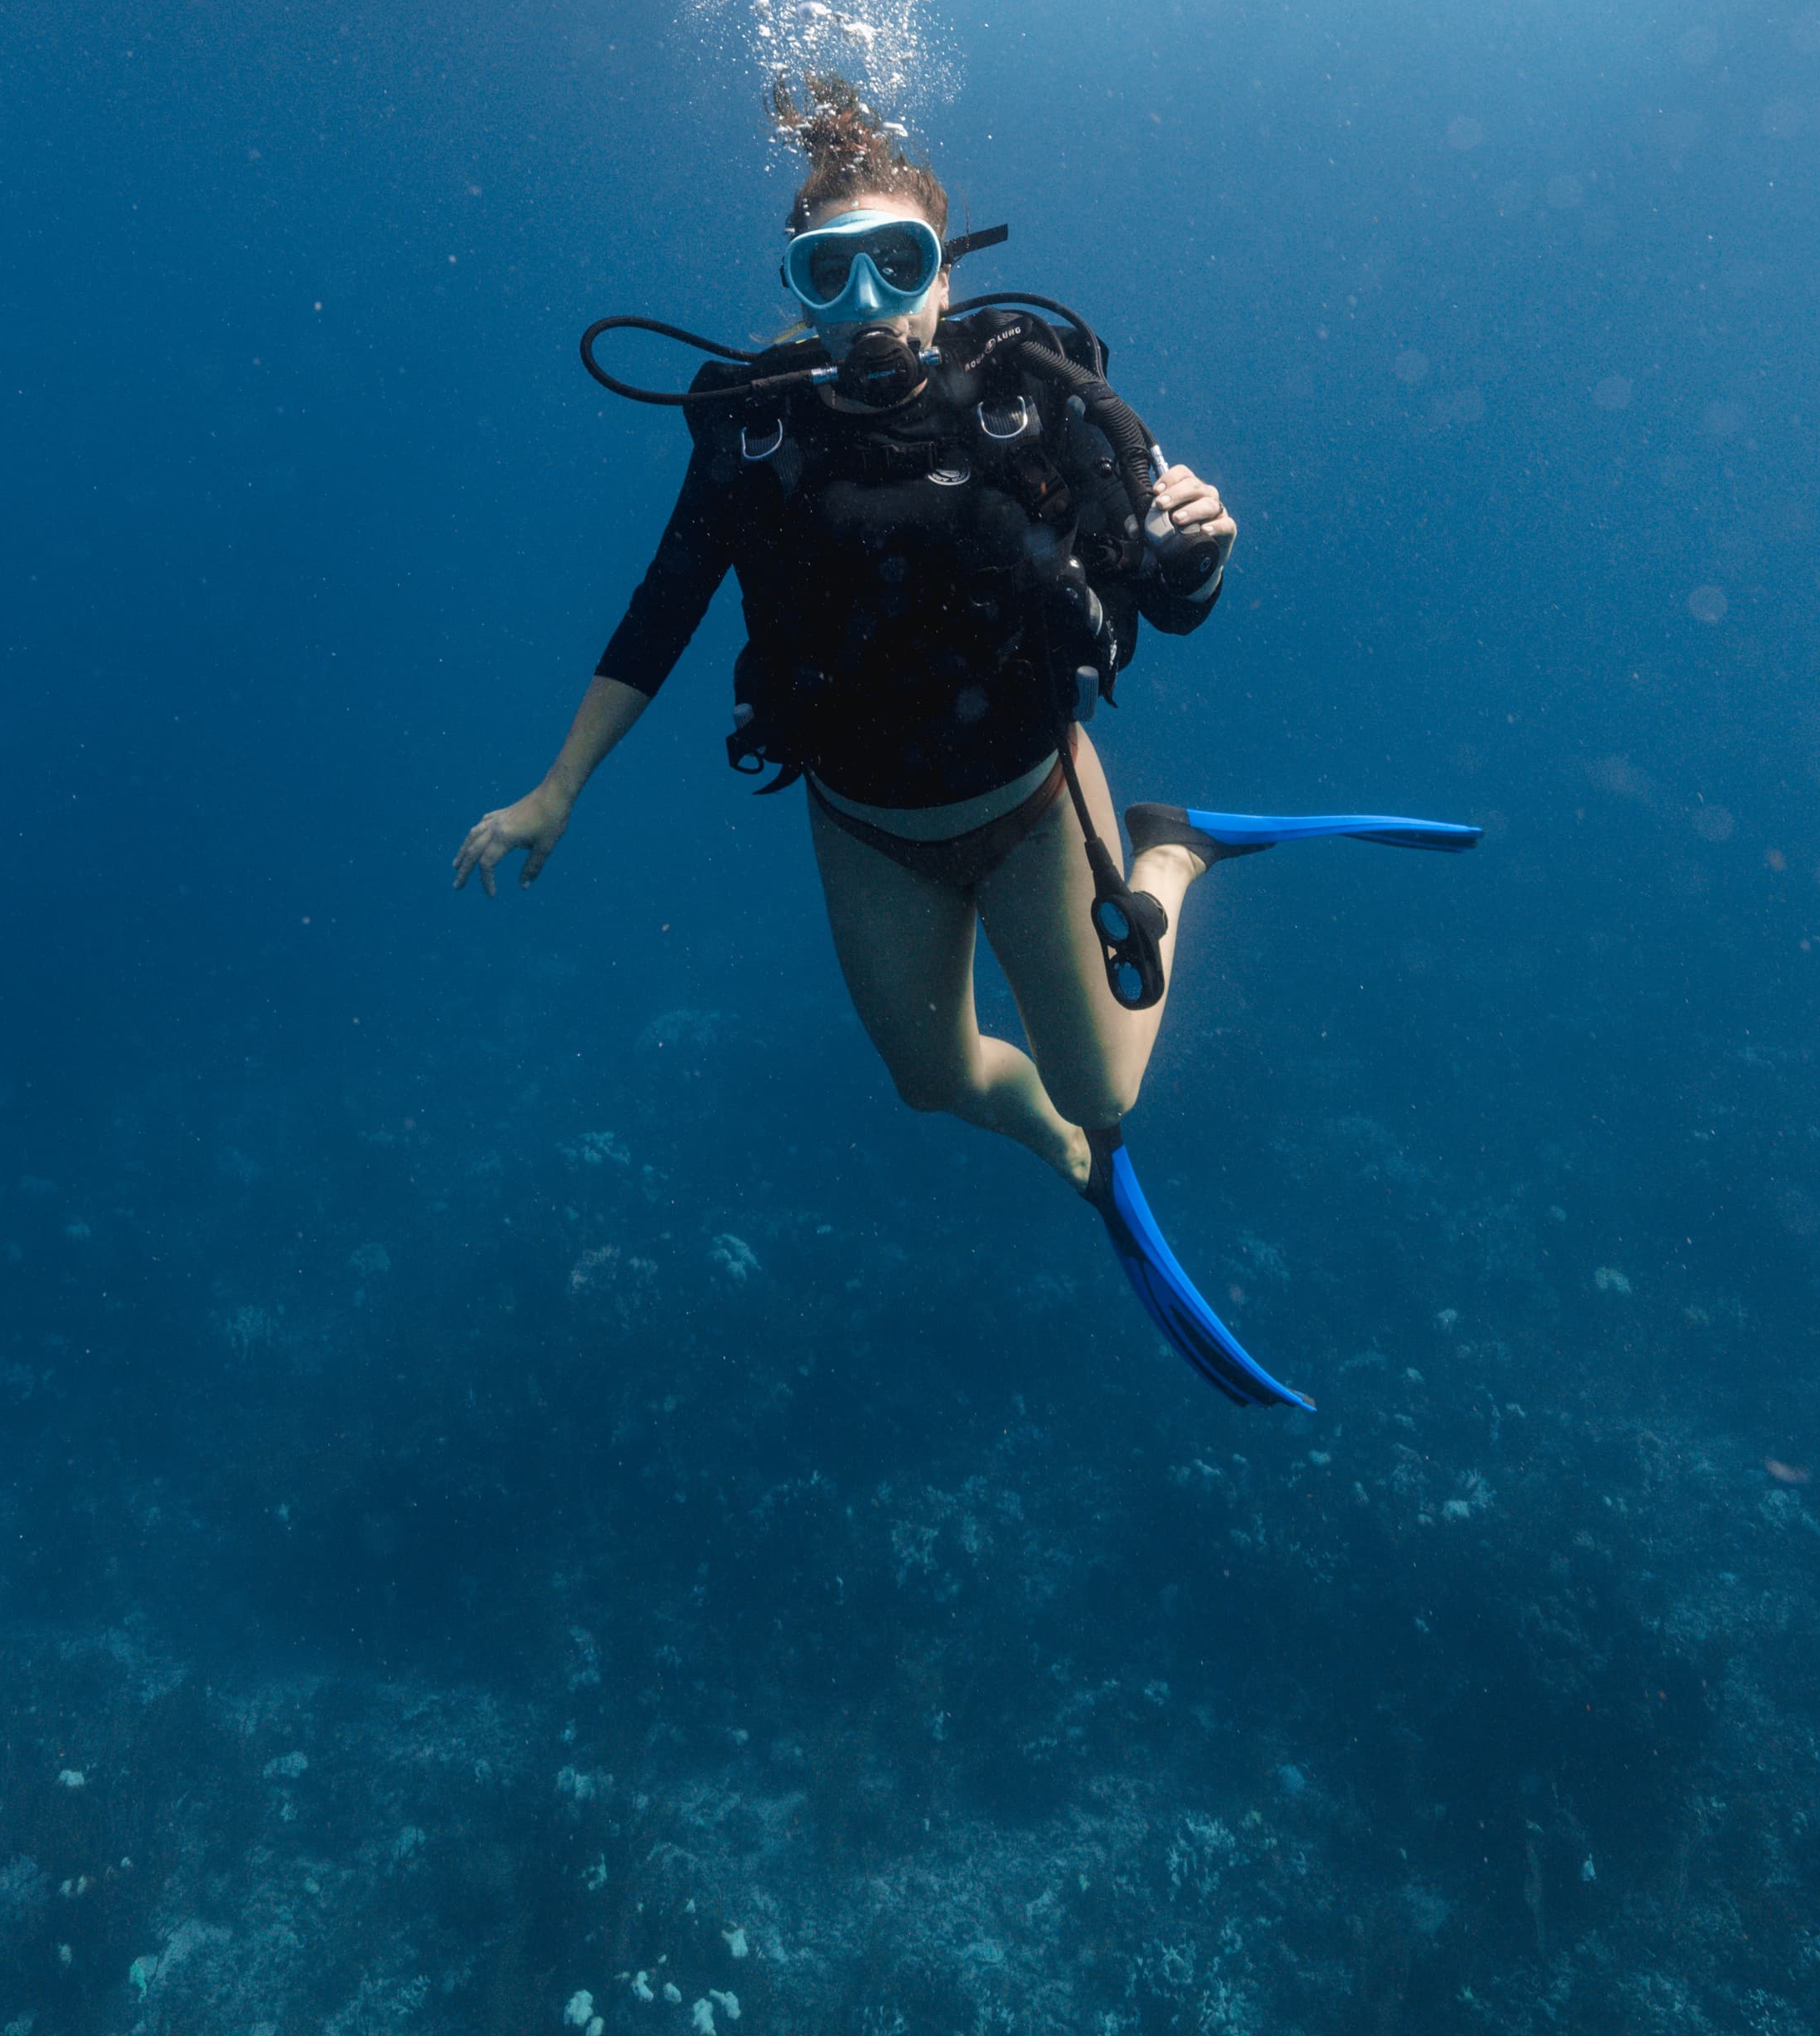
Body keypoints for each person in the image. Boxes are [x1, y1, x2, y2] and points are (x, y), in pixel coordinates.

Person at [454, 75, 1474, 1406]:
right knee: (932, 1082)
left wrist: (1202, 550)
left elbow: (1161, 596)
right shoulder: (752, 432)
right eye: (832, 274)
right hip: (865, 823)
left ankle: (1166, 857)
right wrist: (555, 789)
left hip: (1036, 799)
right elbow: (661, 613)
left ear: (947, 274)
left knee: (1103, 1093)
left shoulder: (1035, 398)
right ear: (797, 290)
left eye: (899, 264)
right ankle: (1072, 1154)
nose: (869, 304)